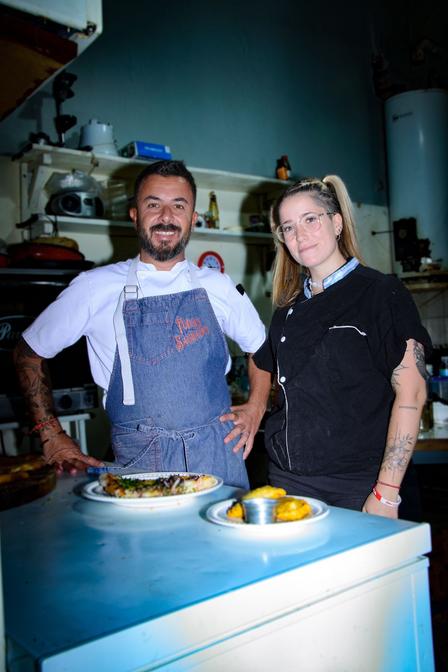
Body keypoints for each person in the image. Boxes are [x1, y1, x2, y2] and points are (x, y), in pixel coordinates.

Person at [14, 160, 271, 488]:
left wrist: (256, 407)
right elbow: (27, 353)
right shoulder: (94, 287)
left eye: (178, 205)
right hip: (142, 467)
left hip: (219, 459)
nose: (166, 216)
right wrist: (50, 434)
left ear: (193, 218)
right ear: (134, 215)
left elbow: (262, 348)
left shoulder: (218, 286)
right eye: (153, 204)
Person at [253, 175, 431, 518]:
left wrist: (387, 492)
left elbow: (412, 393)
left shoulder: (381, 293)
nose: (299, 234)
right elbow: (265, 368)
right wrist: (252, 407)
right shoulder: (286, 312)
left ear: (336, 224)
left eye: (310, 219)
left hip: (358, 485)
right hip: (289, 481)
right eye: (288, 227)